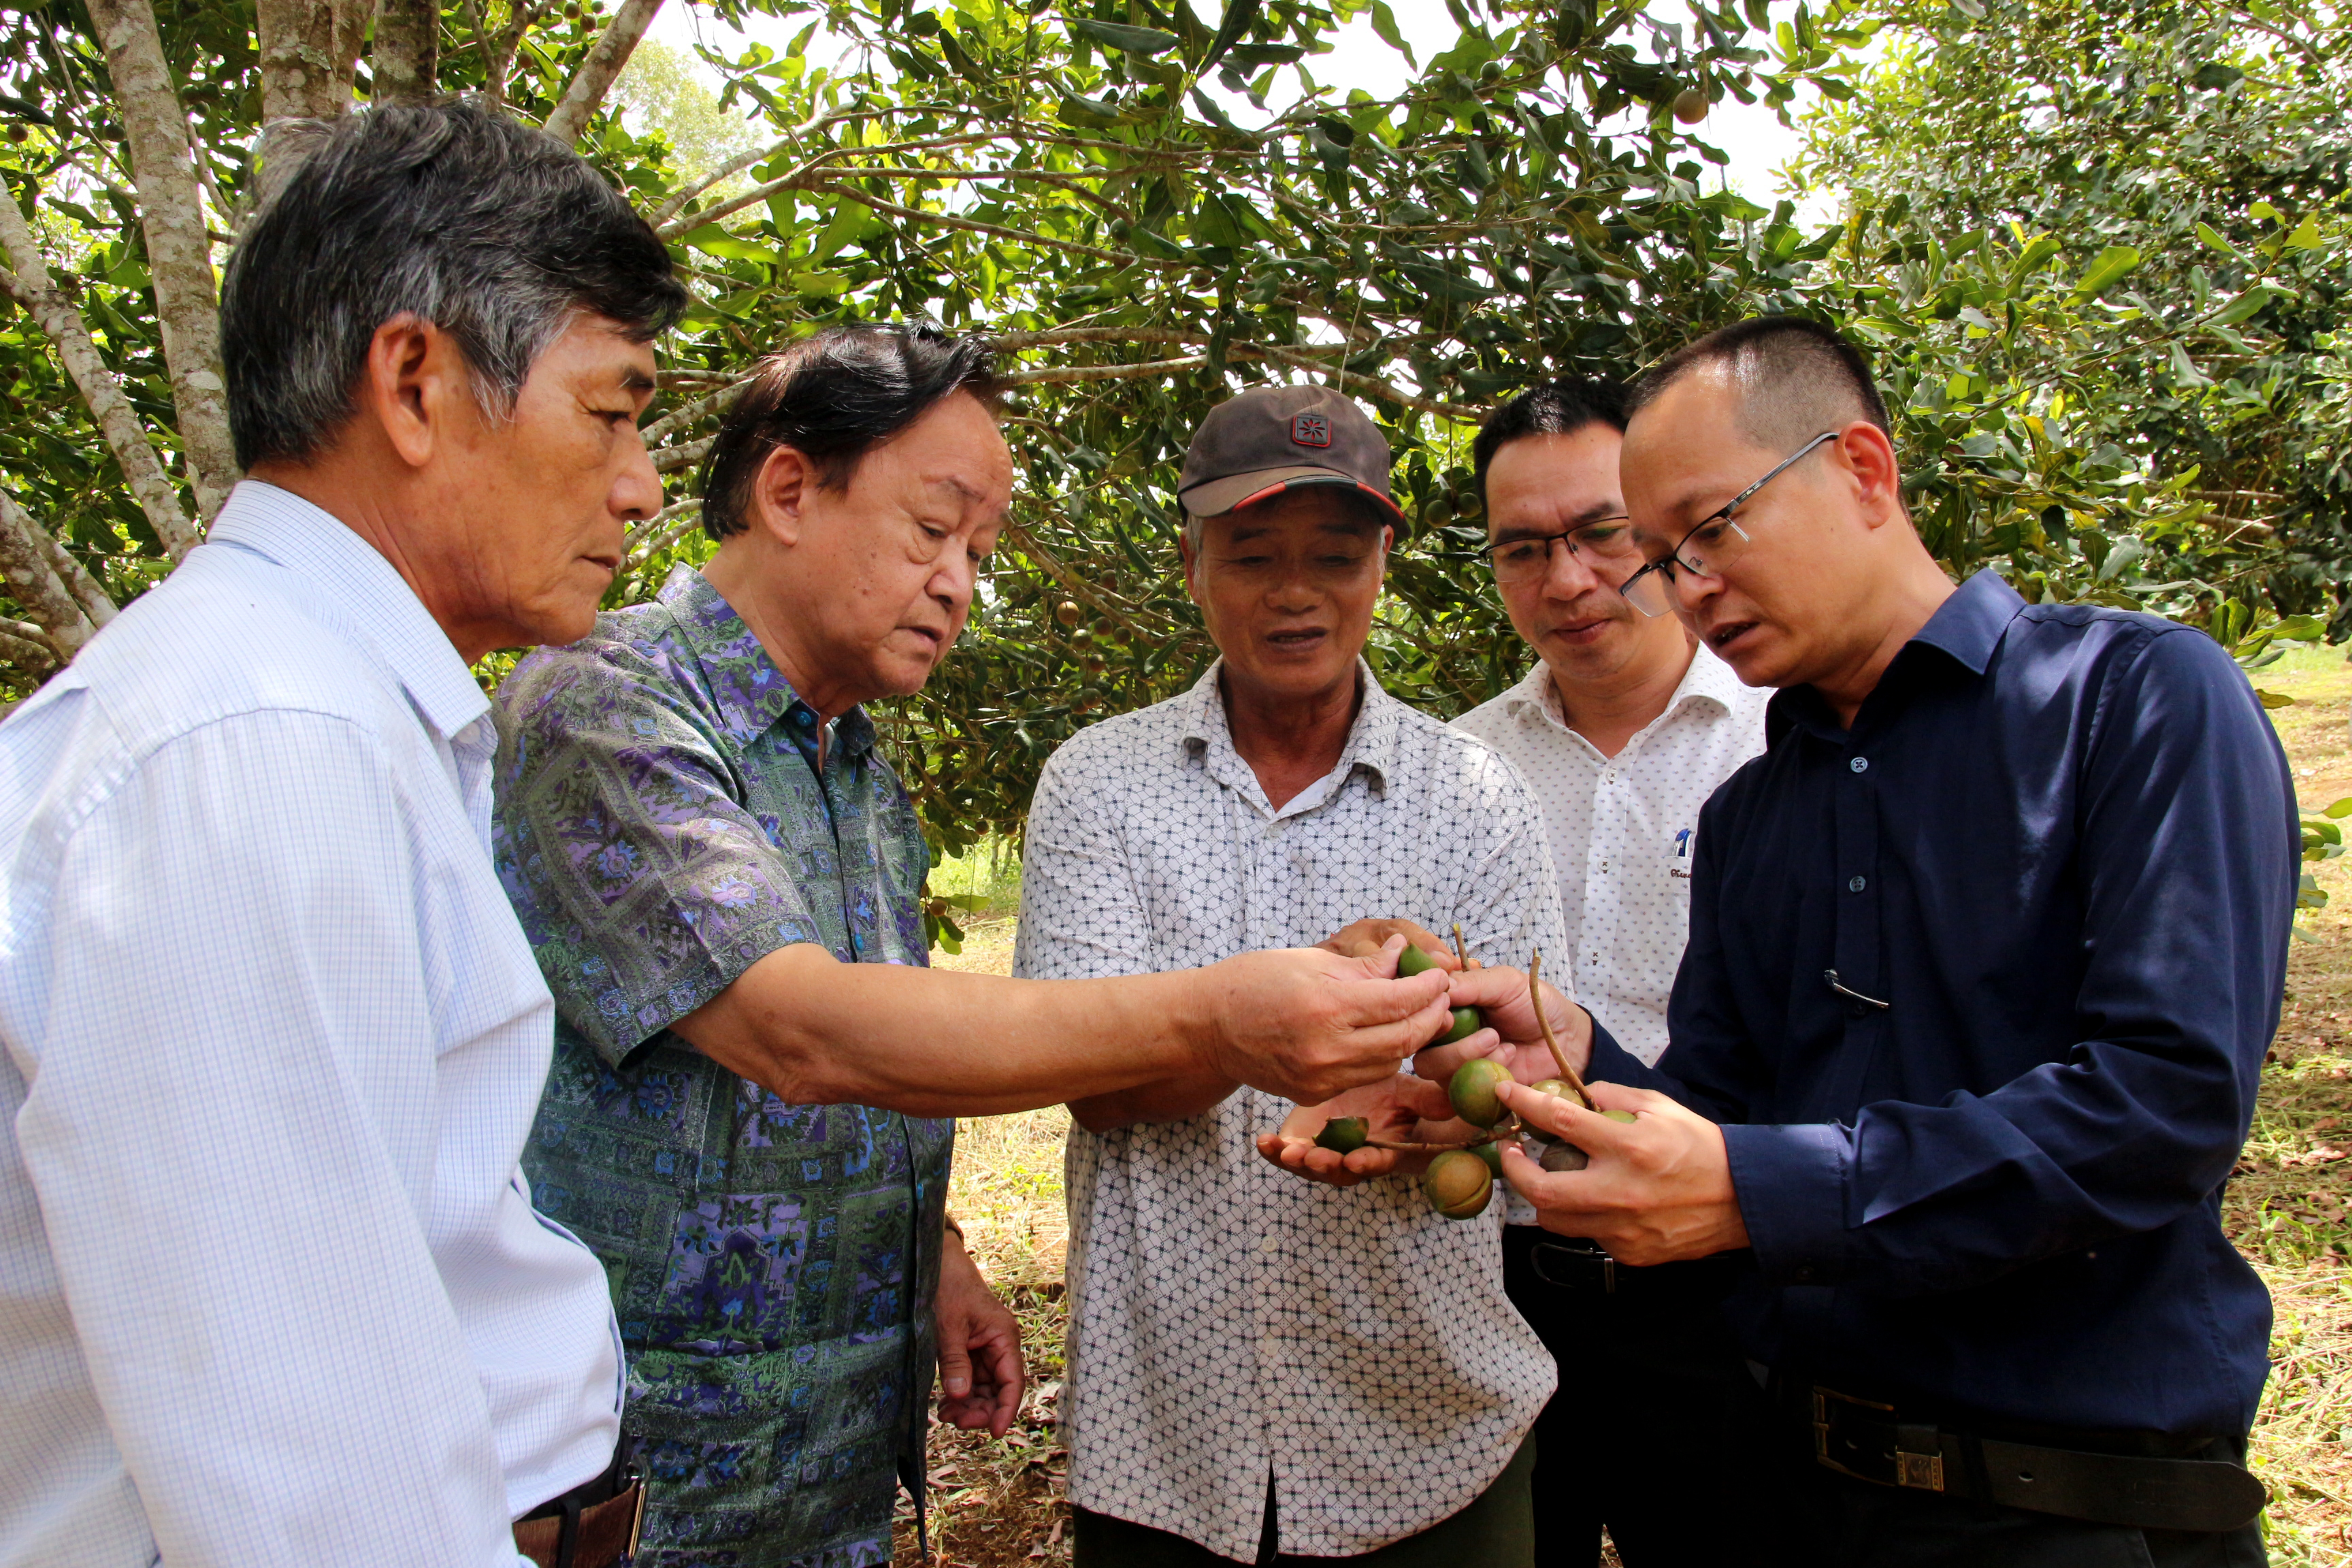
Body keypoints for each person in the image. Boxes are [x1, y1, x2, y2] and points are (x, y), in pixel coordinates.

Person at [490, 338, 1458, 1567]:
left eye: (980, 556)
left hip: (827, 1479)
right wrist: (1220, 1019)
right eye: (932, 532)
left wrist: (936, 1247)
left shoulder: (853, 769)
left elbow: (875, 1066)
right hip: (644, 1479)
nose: (957, 585)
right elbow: (802, 1033)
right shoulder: (609, 709)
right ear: (789, 493)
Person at [1462, 316, 2291, 1566]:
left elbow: (2163, 1104)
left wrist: (1759, 1188)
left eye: (1713, 529)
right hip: (1799, 1499)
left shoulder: (2131, 702)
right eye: (1670, 556)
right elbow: (1726, 1117)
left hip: (2071, 1510)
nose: (1689, 586)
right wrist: (1583, 1063)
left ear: (1862, 470)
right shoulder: (1752, 815)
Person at [0, 100, 687, 1567]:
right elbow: (307, 1485)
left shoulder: (307, 714)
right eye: (612, 411)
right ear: (417, 383)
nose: (637, 484)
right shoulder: (259, 752)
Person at [1013, 385, 1568, 1567]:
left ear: (1381, 568)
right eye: (1253, 554)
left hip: (1427, 1433)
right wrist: (1259, 1018)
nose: (1297, 591)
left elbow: (1528, 1097)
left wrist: (1431, 1084)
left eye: (1335, 554)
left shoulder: (1473, 798)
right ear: (1192, 564)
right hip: (1169, 1440)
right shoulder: (1099, 786)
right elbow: (1093, 1084)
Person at [1448, 376, 1774, 1567]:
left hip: (1723, 1283)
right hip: (1502, 1278)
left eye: (1600, 534)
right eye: (1524, 549)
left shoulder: (1779, 738)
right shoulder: (1459, 768)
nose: (1567, 582)